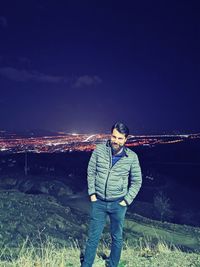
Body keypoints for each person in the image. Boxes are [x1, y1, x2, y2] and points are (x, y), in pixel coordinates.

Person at [81, 122, 142, 267]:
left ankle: (112, 264)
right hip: (99, 202)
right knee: (93, 237)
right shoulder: (99, 150)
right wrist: (92, 194)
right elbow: (91, 172)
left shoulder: (132, 157)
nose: (116, 140)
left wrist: (126, 201)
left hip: (118, 203)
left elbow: (137, 181)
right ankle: (86, 264)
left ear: (126, 139)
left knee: (117, 237)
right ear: (110, 135)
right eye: (114, 137)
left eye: (120, 138)